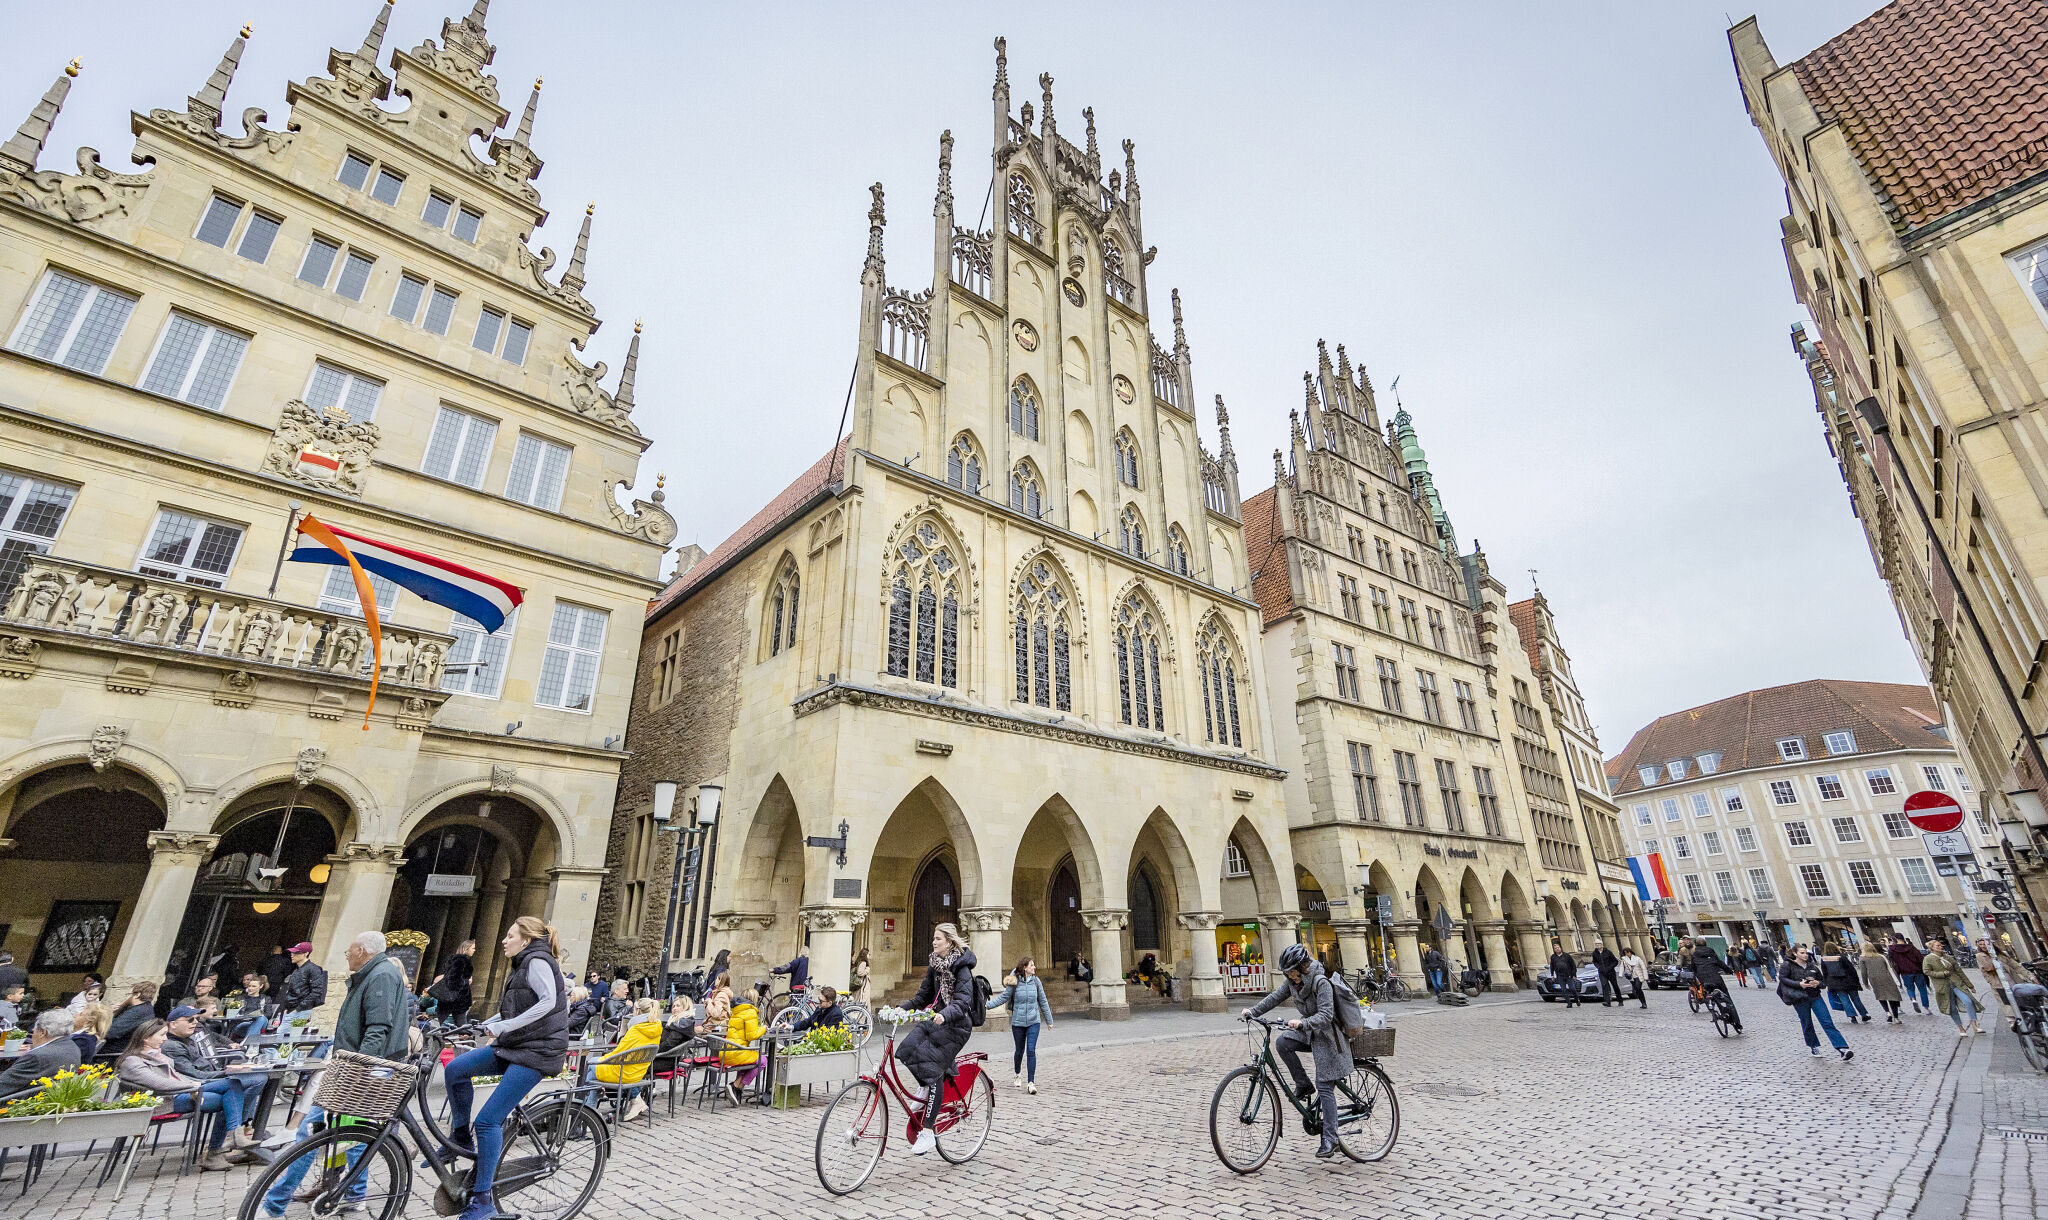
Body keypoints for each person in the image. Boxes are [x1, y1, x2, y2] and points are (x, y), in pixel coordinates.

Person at [258, 930, 409, 1215]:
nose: (347, 956)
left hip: (359, 1071)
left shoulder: (381, 976)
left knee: (309, 1134)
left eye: (349, 951)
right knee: (352, 1135)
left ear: (363, 951)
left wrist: (357, 1066)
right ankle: (354, 1195)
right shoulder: (377, 974)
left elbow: (379, 1027)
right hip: (363, 1068)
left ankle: (273, 1207)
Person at [443, 917, 571, 1220]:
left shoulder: (538, 960)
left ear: (525, 940)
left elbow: (548, 1002)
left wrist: (506, 1026)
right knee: (456, 1069)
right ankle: (460, 1135)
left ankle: (483, 1199)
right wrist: (486, 1025)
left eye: (510, 935)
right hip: (515, 1045)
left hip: (538, 1051)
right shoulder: (521, 965)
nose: (503, 940)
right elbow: (515, 1007)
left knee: (488, 1121)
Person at [1243, 942, 1348, 1159]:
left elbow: (1327, 1016)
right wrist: (1252, 1011)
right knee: (1283, 1043)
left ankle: (1331, 1138)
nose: (1291, 977)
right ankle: (1303, 1084)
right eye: (1288, 973)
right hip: (1310, 1033)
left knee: (1325, 1086)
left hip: (1329, 1037)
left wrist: (1303, 1023)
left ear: (1303, 967)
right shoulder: (1293, 982)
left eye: (1293, 972)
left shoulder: (1321, 982)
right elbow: (1275, 997)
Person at [117, 1018, 258, 1169]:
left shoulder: (156, 1055)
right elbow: (159, 1083)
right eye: (161, 1035)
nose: (165, 1039)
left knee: (233, 1085)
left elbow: (177, 1077)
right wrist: (193, 1087)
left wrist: (198, 1084)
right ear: (146, 1038)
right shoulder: (132, 1061)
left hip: (179, 1093)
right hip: (162, 1102)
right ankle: (220, 1148)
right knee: (230, 1096)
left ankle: (231, 1139)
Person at [897, 923, 979, 1156]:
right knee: (907, 1048)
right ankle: (924, 1088)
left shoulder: (961, 967)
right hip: (937, 1021)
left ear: (950, 942)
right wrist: (901, 1009)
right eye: (933, 938)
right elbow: (923, 996)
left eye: (939, 939)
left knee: (932, 1067)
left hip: (957, 1026)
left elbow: (963, 1002)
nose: (934, 942)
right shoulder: (935, 965)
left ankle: (928, 1132)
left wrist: (945, 1014)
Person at [986, 956, 1054, 1094]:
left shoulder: (1036, 981)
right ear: (1024, 968)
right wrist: (987, 1006)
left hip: (1033, 1021)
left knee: (1031, 1051)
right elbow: (1004, 997)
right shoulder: (1015, 982)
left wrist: (1049, 1020)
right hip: (1018, 1022)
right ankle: (1017, 1073)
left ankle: (1031, 1083)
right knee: (1019, 1051)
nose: (1034, 967)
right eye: (1031, 965)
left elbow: (1043, 1000)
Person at [591, 997, 662, 1123]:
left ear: (638, 1011)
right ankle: (635, 1100)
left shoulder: (636, 1029)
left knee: (591, 1064)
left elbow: (619, 1054)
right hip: (638, 1072)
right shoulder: (655, 1027)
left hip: (624, 1072)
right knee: (595, 1064)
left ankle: (587, 1110)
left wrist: (603, 1059)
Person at [1778, 945, 1854, 1060]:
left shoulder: (1812, 966)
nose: (1805, 955)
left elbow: (1823, 982)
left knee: (1827, 1021)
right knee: (1807, 1022)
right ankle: (1813, 1046)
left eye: (1806, 953)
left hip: (1815, 996)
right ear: (1795, 953)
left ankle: (1842, 1048)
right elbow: (1783, 979)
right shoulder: (1787, 965)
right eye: (1802, 953)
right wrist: (1799, 984)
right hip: (1799, 998)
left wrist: (1817, 983)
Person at [0, 1008, 82, 1101]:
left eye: (33, 1030)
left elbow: (3, 1084)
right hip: (46, 1101)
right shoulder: (72, 1047)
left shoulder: (37, 1057)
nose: (32, 1034)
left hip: (13, 1105)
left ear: (43, 1032)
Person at [1922, 936, 1981, 1036]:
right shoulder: (1928, 959)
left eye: (1941, 945)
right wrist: (1941, 974)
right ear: (1932, 948)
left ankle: (1974, 1024)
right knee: (1952, 1008)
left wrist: (1970, 985)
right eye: (1938, 945)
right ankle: (1961, 1028)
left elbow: (1959, 971)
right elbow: (1926, 971)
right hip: (1943, 987)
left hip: (1957, 983)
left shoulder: (1948, 958)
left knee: (1968, 1001)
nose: (1941, 946)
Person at [718, 987, 766, 1105]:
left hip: (726, 1052)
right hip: (737, 1052)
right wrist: (763, 1029)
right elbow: (752, 1035)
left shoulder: (736, 1010)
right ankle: (737, 1085)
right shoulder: (750, 1011)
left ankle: (737, 1089)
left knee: (749, 1059)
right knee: (763, 1060)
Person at [1690, 938, 1743, 1032]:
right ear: (1705, 944)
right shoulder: (1710, 951)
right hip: (1716, 978)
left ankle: (1715, 1009)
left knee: (1710, 995)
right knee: (1728, 1000)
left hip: (1704, 980)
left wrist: (1696, 975)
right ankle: (1737, 1023)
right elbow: (1719, 962)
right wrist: (1728, 970)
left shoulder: (1694, 954)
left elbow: (1693, 967)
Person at [275, 942, 328, 1023]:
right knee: (286, 1033)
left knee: (293, 1033)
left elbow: (317, 991)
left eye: (296, 952)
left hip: (302, 1012)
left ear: (306, 953)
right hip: (291, 1010)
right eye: (292, 952)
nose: (292, 955)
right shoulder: (296, 970)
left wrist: (298, 1009)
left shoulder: (314, 969)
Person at [1820, 941, 1871, 1024]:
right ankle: (1864, 1014)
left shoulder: (1824, 959)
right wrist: (1856, 981)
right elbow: (1851, 969)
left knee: (1844, 1000)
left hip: (1836, 983)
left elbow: (1825, 973)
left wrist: (1827, 984)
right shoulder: (1842, 957)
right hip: (1848, 981)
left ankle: (1852, 1017)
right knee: (1856, 999)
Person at [426, 939, 476, 1023]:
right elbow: (454, 980)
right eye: (473, 948)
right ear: (466, 948)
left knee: (440, 1024)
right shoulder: (461, 960)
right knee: (461, 1027)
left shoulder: (454, 959)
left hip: (449, 998)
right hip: (456, 999)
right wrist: (467, 981)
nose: (474, 950)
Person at [103, 981, 159, 1056]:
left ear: (137, 995)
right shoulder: (146, 1009)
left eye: (129, 994)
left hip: (111, 1053)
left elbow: (110, 1032)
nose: (127, 998)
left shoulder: (138, 1011)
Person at [1859, 940, 1905, 1022]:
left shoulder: (1863, 958)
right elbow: (1889, 967)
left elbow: (1863, 972)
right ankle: (1896, 1017)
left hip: (1874, 979)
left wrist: (1865, 983)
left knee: (1881, 995)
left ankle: (1887, 1012)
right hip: (1887, 977)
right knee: (1892, 997)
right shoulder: (1881, 956)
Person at [1887, 934, 1931, 1015]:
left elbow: (1892, 962)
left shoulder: (1892, 950)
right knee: (1922, 989)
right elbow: (1920, 958)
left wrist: (1897, 970)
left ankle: (1913, 999)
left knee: (1910, 988)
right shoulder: (1911, 947)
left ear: (1895, 939)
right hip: (1917, 970)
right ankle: (1926, 1007)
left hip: (1905, 972)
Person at [1548, 940, 1581, 1009]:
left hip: (1569, 975)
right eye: (1556, 948)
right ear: (1554, 950)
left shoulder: (1566, 956)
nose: (1557, 949)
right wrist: (1552, 974)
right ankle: (1569, 1002)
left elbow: (1573, 965)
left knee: (1572, 989)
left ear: (1561, 948)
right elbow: (1552, 966)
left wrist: (1574, 974)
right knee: (1563, 990)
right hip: (1560, 975)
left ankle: (1576, 999)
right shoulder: (1553, 957)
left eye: (1558, 947)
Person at [1591, 940, 1622, 1007]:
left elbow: (1615, 961)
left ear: (1602, 944)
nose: (1597, 945)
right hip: (1602, 972)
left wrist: (1609, 967)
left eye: (1599, 944)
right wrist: (1598, 967)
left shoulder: (1608, 952)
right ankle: (1607, 1001)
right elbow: (1594, 961)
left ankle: (1620, 1000)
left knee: (1615, 985)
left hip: (1610, 972)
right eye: (1596, 944)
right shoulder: (1594, 953)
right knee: (1604, 986)